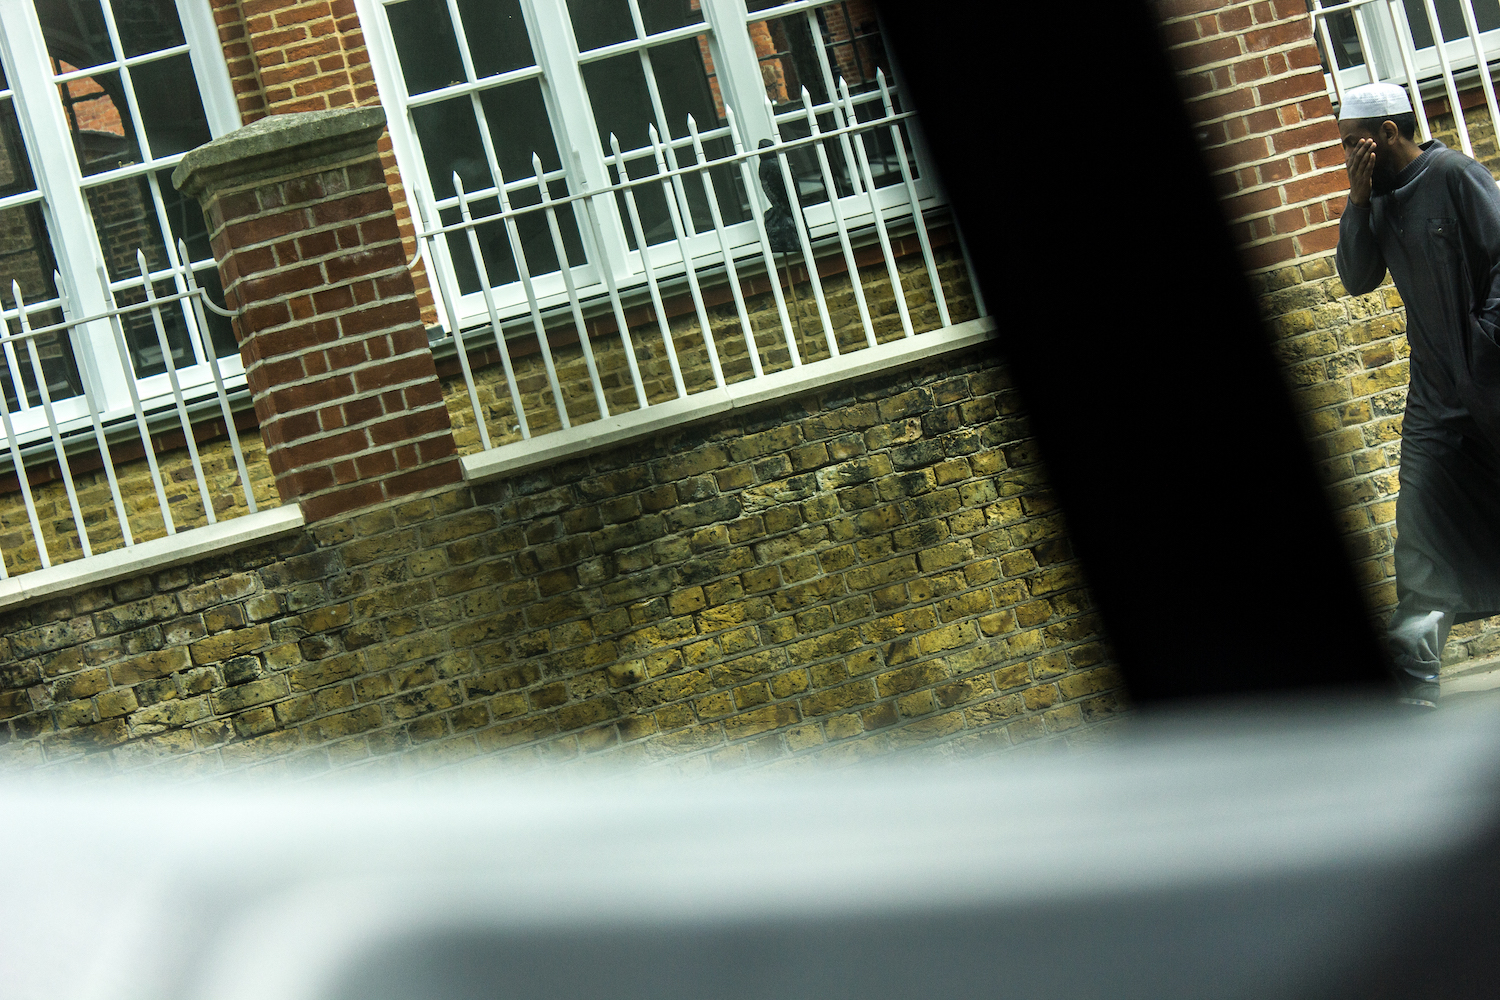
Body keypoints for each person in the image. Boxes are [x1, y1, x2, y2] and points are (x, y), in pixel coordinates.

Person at [1335, 82, 1500, 708]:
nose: (1349, 155)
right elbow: (1357, 277)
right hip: (1435, 398)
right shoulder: (1372, 197)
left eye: (1355, 143)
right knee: (1423, 529)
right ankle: (1412, 686)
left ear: (1388, 132)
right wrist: (1355, 201)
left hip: (1492, 381)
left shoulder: (1455, 173)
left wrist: (1486, 343)